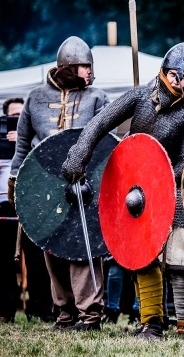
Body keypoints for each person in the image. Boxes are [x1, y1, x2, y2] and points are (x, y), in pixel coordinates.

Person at [63, 42, 184, 340]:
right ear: (164, 71)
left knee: (149, 253)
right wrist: (80, 151)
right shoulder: (140, 96)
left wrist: (159, 176)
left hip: (165, 189)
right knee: (133, 252)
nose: (180, 81)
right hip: (129, 185)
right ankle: (145, 318)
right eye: (175, 74)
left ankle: (153, 321)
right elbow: (100, 122)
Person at [9, 36, 109, 331]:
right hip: (45, 187)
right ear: (68, 66)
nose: (90, 72)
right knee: (52, 249)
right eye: (84, 66)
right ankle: (64, 313)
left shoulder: (97, 98)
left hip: (85, 186)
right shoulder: (35, 98)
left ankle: (89, 314)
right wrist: (15, 182)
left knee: (83, 249)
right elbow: (23, 146)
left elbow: (106, 146)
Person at [0, 97, 54, 323]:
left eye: (20, 115)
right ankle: (6, 310)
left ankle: (40, 309)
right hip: (6, 203)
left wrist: (21, 143)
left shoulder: (35, 137)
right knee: (2, 257)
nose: (17, 119)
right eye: (12, 116)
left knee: (37, 259)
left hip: (32, 202)